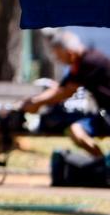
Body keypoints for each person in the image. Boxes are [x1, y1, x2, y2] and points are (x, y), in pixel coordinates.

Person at [21, 30, 110, 159]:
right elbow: (62, 88)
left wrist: (37, 103)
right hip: (103, 114)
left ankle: (104, 166)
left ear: (70, 52)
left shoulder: (90, 62)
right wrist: (35, 100)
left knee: (76, 130)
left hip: (107, 115)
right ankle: (103, 165)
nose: (58, 59)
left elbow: (66, 92)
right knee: (76, 131)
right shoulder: (81, 62)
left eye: (58, 55)